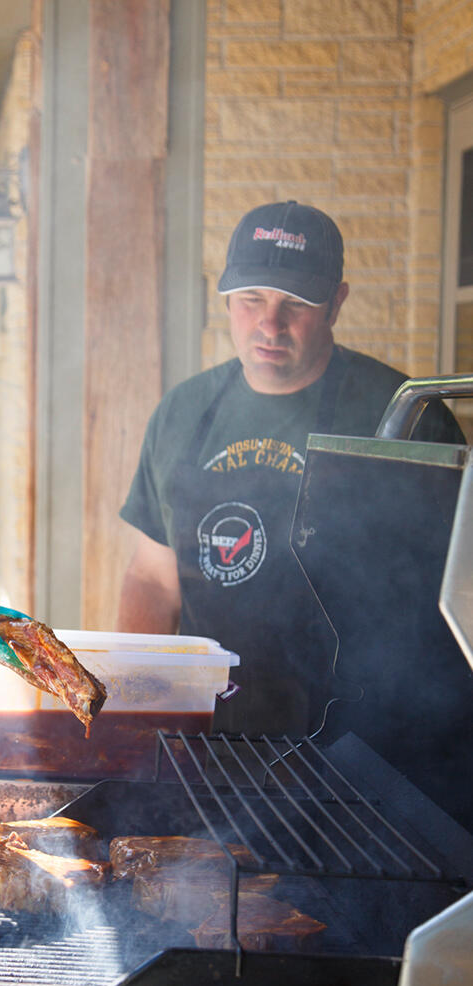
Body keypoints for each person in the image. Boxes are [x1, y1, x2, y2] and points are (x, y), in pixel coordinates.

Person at [117, 200, 465, 737]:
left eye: (296, 304)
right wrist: (134, 712)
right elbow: (154, 579)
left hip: (363, 745)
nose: (269, 324)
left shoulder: (408, 420)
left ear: (336, 303)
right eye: (251, 299)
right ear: (227, 297)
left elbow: (454, 598)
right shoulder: (182, 414)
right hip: (209, 732)